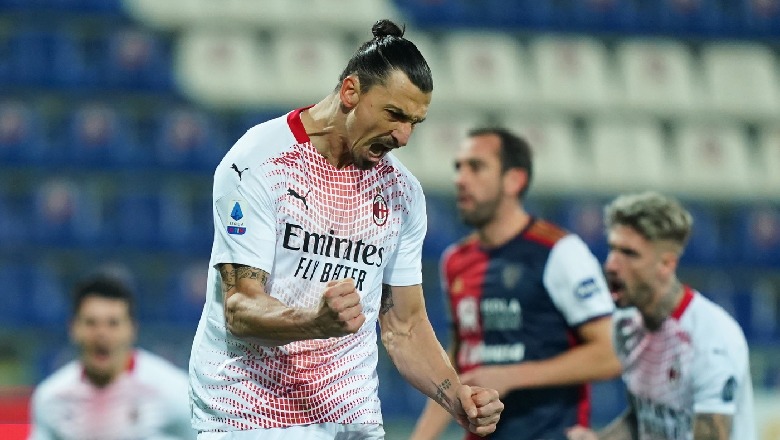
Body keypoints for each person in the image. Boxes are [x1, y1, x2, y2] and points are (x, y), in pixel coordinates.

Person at [188, 19, 504, 440]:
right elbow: (240, 308)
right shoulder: (257, 163)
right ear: (351, 91)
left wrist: (456, 397)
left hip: (350, 418)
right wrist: (313, 322)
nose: (404, 137)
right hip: (249, 414)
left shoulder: (402, 193)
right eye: (394, 115)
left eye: (415, 122)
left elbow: (405, 326)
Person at [410, 127, 621, 440]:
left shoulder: (560, 252)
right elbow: (460, 359)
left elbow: (612, 353)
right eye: (458, 167)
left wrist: (512, 376)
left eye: (476, 167)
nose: (461, 179)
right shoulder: (455, 260)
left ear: (514, 180)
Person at [566, 192, 756, 440]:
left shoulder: (710, 339)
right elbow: (644, 420)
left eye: (629, 253)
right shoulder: (627, 326)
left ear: (666, 264)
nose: (611, 264)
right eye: (612, 249)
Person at [28, 274, 195, 440]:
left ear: (132, 329)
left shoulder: (174, 391)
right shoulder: (51, 398)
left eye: (113, 323)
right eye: (91, 323)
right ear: (73, 328)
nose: (101, 333)